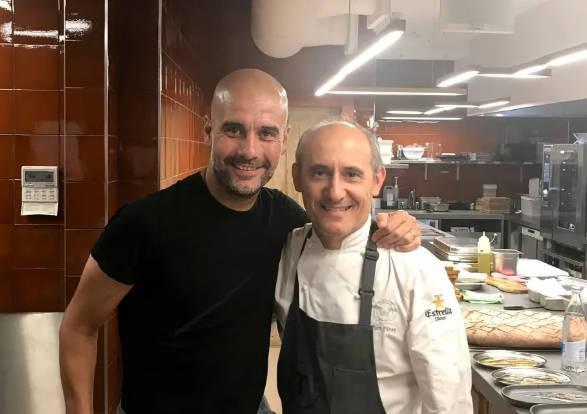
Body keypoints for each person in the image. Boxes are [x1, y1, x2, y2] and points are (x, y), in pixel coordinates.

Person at [59, 69, 422, 414]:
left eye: (266, 133)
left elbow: (343, 232)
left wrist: (393, 226)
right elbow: (78, 326)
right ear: (208, 130)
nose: (249, 150)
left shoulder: (287, 221)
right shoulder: (144, 223)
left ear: (284, 139)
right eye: (234, 129)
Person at [275, 119, 473, 414]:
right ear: (297, 177)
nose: (335, 192)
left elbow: (448, 399)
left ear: (377, 180)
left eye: (352, 174)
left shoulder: (415, 269)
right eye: (319, 172)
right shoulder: (288, 250)